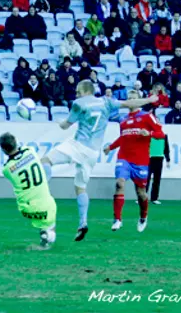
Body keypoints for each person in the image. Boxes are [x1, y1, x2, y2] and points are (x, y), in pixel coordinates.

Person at [40, 80, 158, 241]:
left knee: (45, 160)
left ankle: (42, 193)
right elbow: (130, 103)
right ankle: (83, 223)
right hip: (92, 153)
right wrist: (148, 101)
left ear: (83, 91)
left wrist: (60, 122)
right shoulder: (106, 101)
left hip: (78, 145)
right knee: (80, 187)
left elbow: (66, 126)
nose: (76, 94)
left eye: (77, 91)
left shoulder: (78, 103)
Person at [104, 90, 165, 232]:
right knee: (119, 184)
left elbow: (161, 134)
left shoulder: (147, 116)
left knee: (141, 193)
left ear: (138, 100)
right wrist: (111, 147)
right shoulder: (123, 120)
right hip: (124, 157)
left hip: (141, 161)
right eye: (129, 99)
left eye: (133, 98)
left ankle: (143, 217)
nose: (131, 101)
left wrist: (149, 133)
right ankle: (117, 219)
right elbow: (123, 137)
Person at [0, 132, 57, 248]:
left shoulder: (6, 169)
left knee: (43, 219)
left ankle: (46, 234)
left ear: (4, 150)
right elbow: (22, 150)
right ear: (16, 142)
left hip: (26, 208)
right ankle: (47, 236)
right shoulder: (30, 151)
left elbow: (14, 164)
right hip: (46, 205)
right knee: (50, 225)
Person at [148, 133, 170, 205]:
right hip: (149, 158)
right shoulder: (148, 135)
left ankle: (154, 198)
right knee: (145, 179)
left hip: (159, 159)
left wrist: (168, 160)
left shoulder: (164, 136)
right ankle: (142, 197)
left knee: (157, 179)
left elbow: (166, 148)